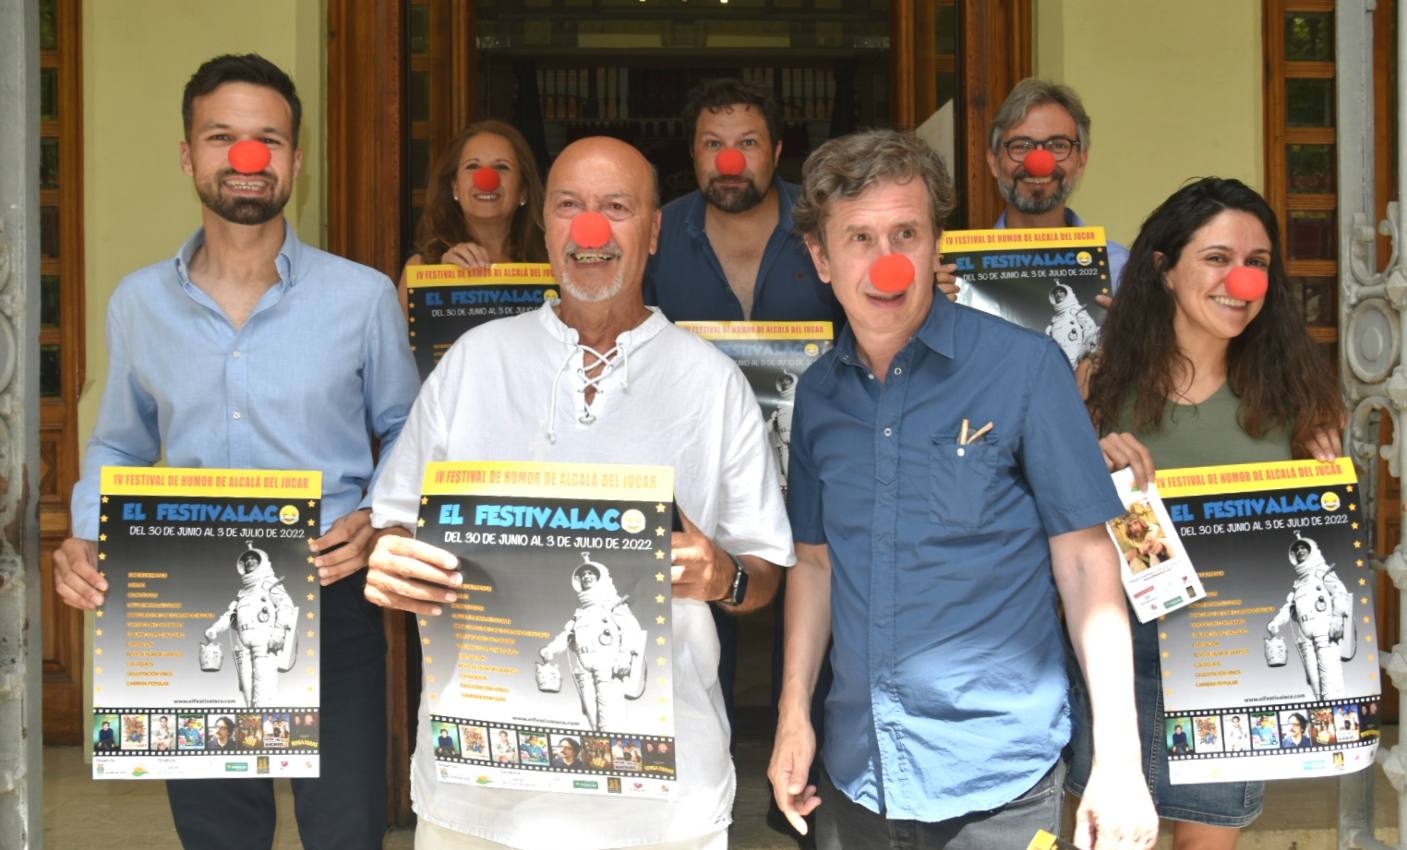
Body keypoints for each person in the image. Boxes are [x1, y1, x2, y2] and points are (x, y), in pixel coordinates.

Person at [364, 135, 793, 849]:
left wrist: (721, 574)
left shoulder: (711, 382)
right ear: (548, 228)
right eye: (569, 206)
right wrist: (391, 560)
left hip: (661, 805)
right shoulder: (474, 361)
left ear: (653, 231)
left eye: (616, 208)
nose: (590, 229)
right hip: (479, 794)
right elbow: (394, 526)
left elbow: (764, 579)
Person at [50, 54, 418, 850]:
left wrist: (380, 518)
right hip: (189, 588)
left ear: (295, 159)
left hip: (332, 585)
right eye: (222, 138)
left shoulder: (361, 298)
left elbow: (407, 429)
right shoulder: (137, 302)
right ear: (188, 155)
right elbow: (119, 438)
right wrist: (91, 527)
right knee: (219, 833)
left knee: (345, 828)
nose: (247, 159)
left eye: (268, 140)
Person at [768, 127, 1156, 850]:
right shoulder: (818, 394)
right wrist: (794, 716)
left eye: (905, 233)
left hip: (999, 780)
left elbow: (1085, 563)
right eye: (857, 238)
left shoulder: (1027, 370)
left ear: (935, 243)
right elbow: (815, 564)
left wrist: (1119, 761)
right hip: (858, 770)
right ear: (821, 259)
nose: (887, 264)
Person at [1072, 177, 1344, 849]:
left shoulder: (1296, 396)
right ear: (1162, 269)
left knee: (1207, 842)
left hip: (1231, 652)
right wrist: (1087, 455)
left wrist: (1325, 482)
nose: (1241, 281)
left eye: (1256, 263)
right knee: (1110, 838)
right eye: (1217, 258)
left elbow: (1320, 547)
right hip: (1119, 646)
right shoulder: (1097, 381)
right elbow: (1057, 526)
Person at [643, 78, 843, 325]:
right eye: (713, 144)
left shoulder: (829, 221)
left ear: (776, 152)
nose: (730, 162)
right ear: (693, 153)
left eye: (748, 143)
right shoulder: (655, 235)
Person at [398, 120, 547, 309]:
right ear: (455, 188)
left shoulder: (554, 267)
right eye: (472, 166)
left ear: (523, 191)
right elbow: (408, 338)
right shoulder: (420, 267)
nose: (486, 179)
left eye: (502, 167)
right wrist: (440, 284)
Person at [1267, 535, 1351, 699]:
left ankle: (1337, 710)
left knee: (1330, 681)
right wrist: (1275, 623)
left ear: (1312, 550)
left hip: (1325, 631)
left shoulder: (1322, 571)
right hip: (1305, 635)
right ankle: (1321, 715)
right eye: (1296, 549)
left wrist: (1337, 618)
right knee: (1315, 683)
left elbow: (1340, 593)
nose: (1299, 551)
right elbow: (1289, 606)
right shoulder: (1298, 583)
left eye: (1303, 547)